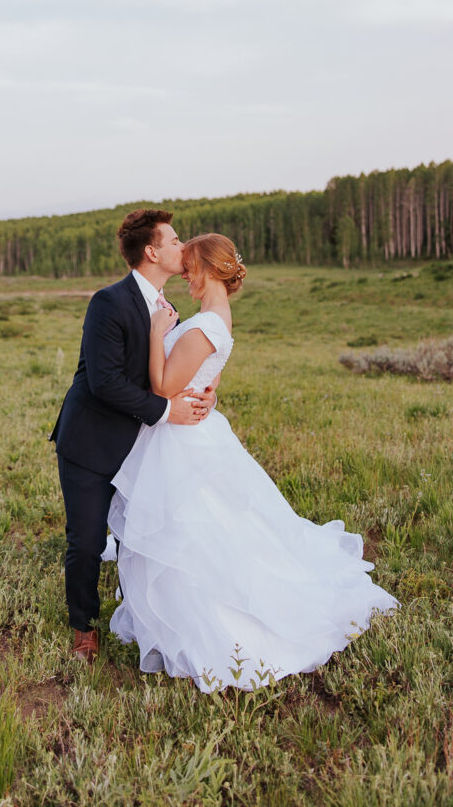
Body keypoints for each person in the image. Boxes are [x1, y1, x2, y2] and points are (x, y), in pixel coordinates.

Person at [107, 233, 398, 691]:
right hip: (193, 430)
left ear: (207, 269)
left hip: (181, 438)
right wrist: (208, 388)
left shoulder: (204, 324)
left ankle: (204, 623)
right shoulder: (218, 319)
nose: (185, 275)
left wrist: (157, 331)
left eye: (190, 269)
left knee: (193, 530)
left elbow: (163, 387)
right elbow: (209, 375)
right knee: (205, 526)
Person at [50, 209, 217, 663]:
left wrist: (201, 398)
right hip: (91, 442)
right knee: (86, 541)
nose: (183, 247)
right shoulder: (108, 302)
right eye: (175, 239)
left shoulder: (167, 309)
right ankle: (84, 627)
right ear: (152, 251)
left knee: (138, 538)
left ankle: (141, 617)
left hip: (142, 447)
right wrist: (168, 411)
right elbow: (104, 382)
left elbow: (164, 375)